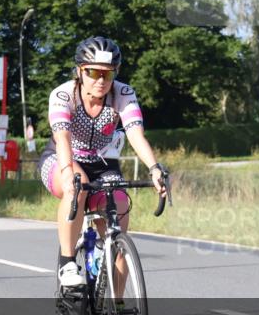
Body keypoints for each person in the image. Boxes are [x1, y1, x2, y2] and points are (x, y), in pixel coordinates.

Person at [38, 36, 167, 289]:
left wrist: (154, 168)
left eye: (108, 75)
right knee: (78, 184)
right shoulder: (64, 94)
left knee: (119, 208)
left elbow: (134, 134)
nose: (100, 80)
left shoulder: (123, 93)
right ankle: (67, 263)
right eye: (93, 72)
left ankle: (117, 312)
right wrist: (67, 172)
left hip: (102, 163)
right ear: (79, 72)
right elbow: (61, 137)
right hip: (62, 158)